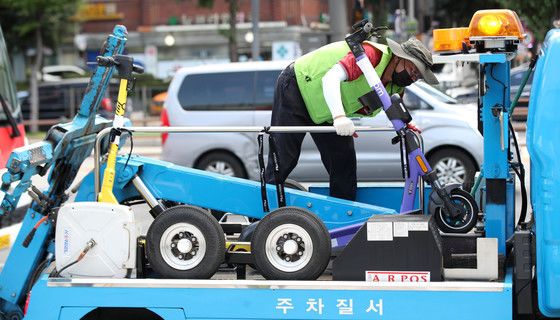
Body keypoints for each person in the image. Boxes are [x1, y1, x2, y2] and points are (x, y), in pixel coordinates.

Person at [266, 37, 439, 201]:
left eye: (417, 76)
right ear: (399, 58)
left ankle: (341, 217)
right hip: (298, 86)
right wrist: (339, 117)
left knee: (344, 163)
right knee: (283, 159)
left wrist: (406, 124)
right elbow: (330, 78)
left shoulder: (395, 86)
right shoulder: (370, 55)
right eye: (412, 70)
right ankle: (259, 219)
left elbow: (394, 111)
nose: (412, 78)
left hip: (325, 110)